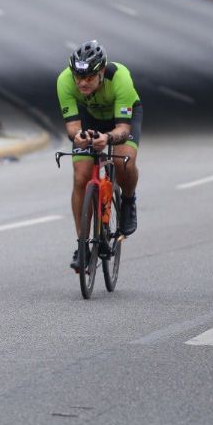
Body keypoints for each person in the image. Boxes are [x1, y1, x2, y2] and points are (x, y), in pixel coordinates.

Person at [56, 40, 142, 272]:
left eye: (89, 78)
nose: (82, 82)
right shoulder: (65, 80)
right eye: (78, 77)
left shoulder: (120, 78)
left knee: (122, 162)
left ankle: (128, 200)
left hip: (120, 119)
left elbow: (123, 130)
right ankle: (82, 245)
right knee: (81, 177)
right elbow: (72, 127)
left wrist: (108, 139)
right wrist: (79, 137)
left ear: (101, 72)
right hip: (89, 117)